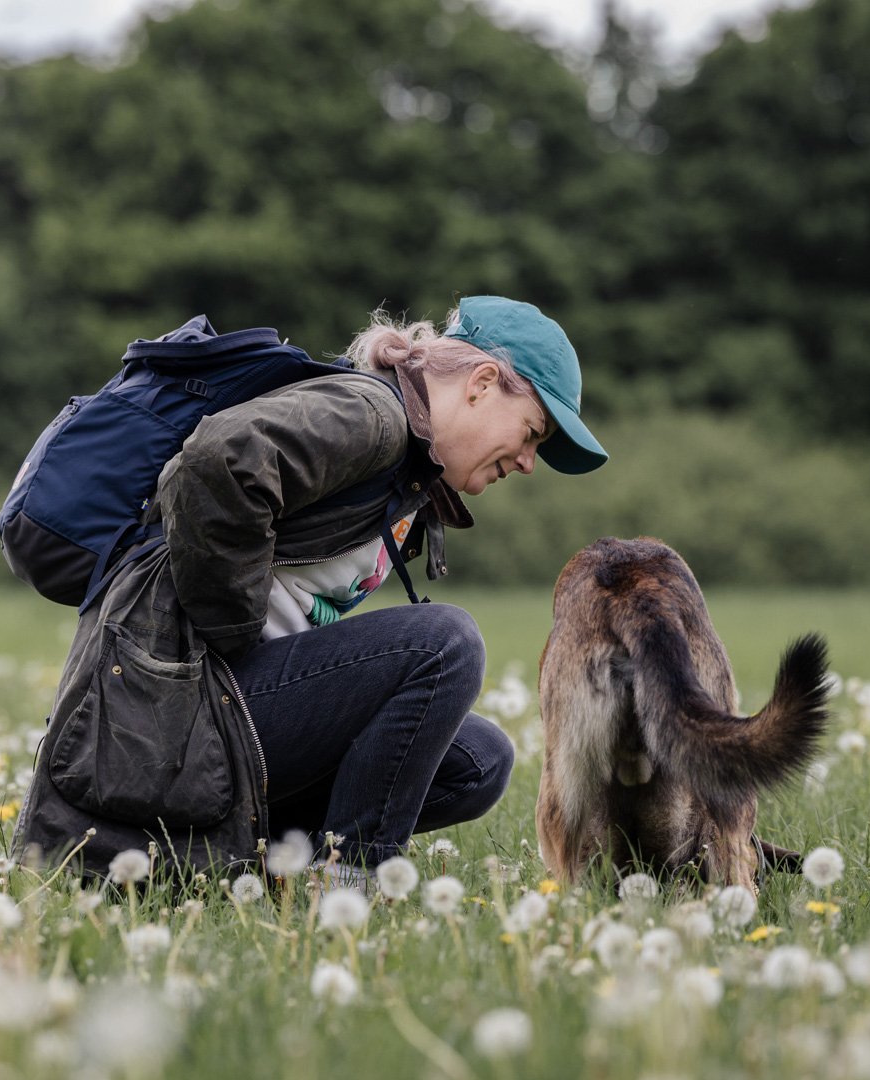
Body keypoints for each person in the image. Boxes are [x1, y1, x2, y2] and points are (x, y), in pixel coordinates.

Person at [151, 294, 608, 877]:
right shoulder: (372, 416)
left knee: (478, 759)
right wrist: (236, 632)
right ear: (483, 383)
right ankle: (349, 884)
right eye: (532, 433)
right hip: (170, 715)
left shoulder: (410, 465)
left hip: (235, 714)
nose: (527, 463)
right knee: (444, 642)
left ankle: (262, 864)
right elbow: (212, 463)